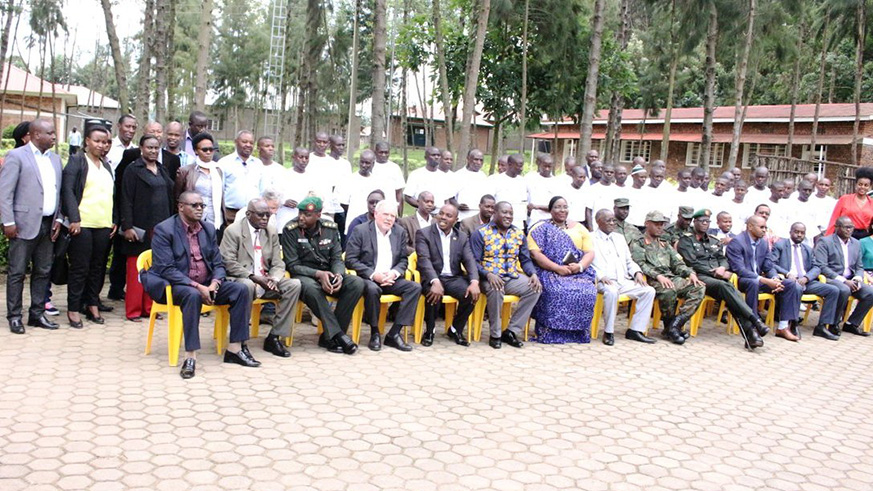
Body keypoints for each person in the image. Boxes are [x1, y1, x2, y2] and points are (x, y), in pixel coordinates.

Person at [142, 191, 259, 379]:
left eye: (202, 206)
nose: (199, 209)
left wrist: (215, 283)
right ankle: (190, 356)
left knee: (241, 289)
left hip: (207, 284)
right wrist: (198, 287)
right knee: (192, 295)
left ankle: (235, 349)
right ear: (181, 207)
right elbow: (166, 269)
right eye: (194, 205)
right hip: (176, 285)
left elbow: (218, 263)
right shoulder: (164, 230)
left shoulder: (208, 229)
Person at [0, 119, 63, 334]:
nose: (54, 137)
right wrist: (8, 222)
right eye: (50, 133)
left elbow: (59, 192)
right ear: (36, 135)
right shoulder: (17, 156)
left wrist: (59, 219)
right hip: (22, 224)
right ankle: (15, 316)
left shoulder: (55, 159)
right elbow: (5, 192)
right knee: (17, 272)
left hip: (48, 224)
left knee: (43, 271)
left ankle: (37, 314)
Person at [220, 198, 303, 358]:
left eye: (268, 215)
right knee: (247, 286)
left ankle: (274, 337)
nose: (265, 218)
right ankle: (240, 341)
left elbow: (278, 262)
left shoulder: (271, 231)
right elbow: (228, 262)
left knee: (294, 285)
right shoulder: (233, 231)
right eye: (261, 215)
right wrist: (254, 277)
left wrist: (275, 279)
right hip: (242, 279)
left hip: (266, 281)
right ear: (248, 214)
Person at [677, 210, 771, 348]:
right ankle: (755, 321)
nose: (705, 224)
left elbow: (723, 259)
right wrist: (715, 272)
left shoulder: (713, 240)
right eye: (702, 221)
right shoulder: (686, 240)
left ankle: (752, 334)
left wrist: (722, 268)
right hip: (699, 277)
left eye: (707, 221)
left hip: (718, 277)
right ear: (694, 222)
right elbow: (692, 263)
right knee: (728, 289)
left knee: (733, 297)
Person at [281, 197, 361, 354]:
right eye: (300, 213)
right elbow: (293, 265)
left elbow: (337, 258)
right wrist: (318, 274)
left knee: (356, 283)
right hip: (304, 274)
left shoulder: (330, 228)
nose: (301, 217)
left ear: (318, 215)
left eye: (307, 214)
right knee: (312, 289)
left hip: (328, 272)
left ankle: (329, 336)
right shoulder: (290, 229)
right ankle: (339, 335)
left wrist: (338, 275)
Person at [345, 200, 422, 352]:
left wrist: (394, 273)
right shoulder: (361, 230)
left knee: (414, 288)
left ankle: (394, 334)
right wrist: (374, 275)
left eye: (392, 216)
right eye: (385, 214)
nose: (389, 219)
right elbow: (350, 259)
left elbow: (402, 260)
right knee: (373, 290)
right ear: (375, 214)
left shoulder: (399, 232)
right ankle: (375, 332)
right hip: (369, 279)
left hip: (391, 278)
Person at [60, 124, 117, 328]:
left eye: (105, 142)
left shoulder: (106, 165)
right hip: (82, 224)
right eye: (98, 141)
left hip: (103, 225)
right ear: (87, 141)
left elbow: (112, 195)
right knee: (80, 268)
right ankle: (73, 308)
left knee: (98, 268)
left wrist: (114, 220)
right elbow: (67, 190)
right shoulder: (77, 161)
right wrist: (73, 218)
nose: (102, 145)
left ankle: (92, 304)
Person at [470, 202, 542, 349]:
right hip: (488, 278)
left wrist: (533, 273)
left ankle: (511, 331)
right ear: (494, 213)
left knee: (535, 288)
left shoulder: (518, 233)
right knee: (496, 289)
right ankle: (495, 334)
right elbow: (473, 262)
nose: (508, 216)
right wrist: (488, 274)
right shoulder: (481, 233)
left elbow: (525, 260)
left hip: (511, 277)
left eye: (510, 213)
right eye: (504, 212)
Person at [119, 134, 176, 322]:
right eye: (149, 147)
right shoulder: (132, 170)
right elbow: (125, 198)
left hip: (161, 228)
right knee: (137, 269)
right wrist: (127, 226)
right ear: (141, 148)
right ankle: (134, 310)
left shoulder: (162, 169)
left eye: (156, 148)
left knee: (155, 269)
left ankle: (150, 307)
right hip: (139, 227)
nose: (153, 151)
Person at [526, 197, 597, 343]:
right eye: (558, 207)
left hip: (576, 271)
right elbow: (535, 253)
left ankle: (578, 333)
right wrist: (557, 268)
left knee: (587, 290)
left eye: (565, 206)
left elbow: (589, 252)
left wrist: (580, 266)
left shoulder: (579, 228)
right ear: (550, 210)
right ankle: (549, 333)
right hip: (549, 271)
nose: (562, 210)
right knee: (556, 290)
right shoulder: (539, 228)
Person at [630, 211, 705, 345]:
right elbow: (639, 264)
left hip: (670, 277)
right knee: (668, 291)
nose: (660, 227)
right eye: (657, 224)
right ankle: (669, 326)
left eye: (662, 225)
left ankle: (675, 325)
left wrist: (690, 273)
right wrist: (657, 276)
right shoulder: (639, 242)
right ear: (647, 224)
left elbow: (677, 262)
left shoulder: (664, 243)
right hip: (650, 279)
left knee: (699, 286)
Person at [726, 216, 801, 340]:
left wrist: (775, 278)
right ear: (750, 227)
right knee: (753, 283)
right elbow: (739, 270)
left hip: (761, 279)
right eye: (761, 227)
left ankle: (783, 327)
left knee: (791, 284)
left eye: (765, 227)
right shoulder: (737, 242)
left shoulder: (763, 242)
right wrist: (763, 279)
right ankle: (753, 326)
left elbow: (768, 265)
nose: (764, 230)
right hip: (741, 280)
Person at [414, 203, 479, 346]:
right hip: (432, 276)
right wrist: (434, 281)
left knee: (471, 294)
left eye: (448, 216)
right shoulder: (424, 233)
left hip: (453, 278)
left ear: (455, 220)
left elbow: (469, 260)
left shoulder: (461, 237)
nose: (443, 217)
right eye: (441, 213)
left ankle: (455, 329)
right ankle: (430, 331)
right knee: (433, 294)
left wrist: (474, 281)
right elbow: (424, 260)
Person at [591, 209, 657, 345]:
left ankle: (635, 330)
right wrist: (600, 275)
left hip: (623, 280)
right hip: (603, 280)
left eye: (613, 220)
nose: (612, 223)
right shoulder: (591, 238)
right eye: (608, 220)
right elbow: (587, 262)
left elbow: (629, 261)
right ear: (598, 222)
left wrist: (637, 272)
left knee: (649, 291)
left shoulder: (619, 238)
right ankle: (608, 332)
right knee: (612, 292)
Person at [771, 222, 842, 341]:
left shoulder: (808, 249)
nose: (799, 235)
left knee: (833, 290)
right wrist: (787, 274)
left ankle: (822, 327)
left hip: (806, 281)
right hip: (789, 282)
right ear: (790, 232)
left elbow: (817, 267)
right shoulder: (781, 245)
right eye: (796, 232)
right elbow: (771, 263)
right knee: (796, 287)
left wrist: (807, 278)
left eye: (802, 233)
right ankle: (793, 323)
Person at [814, 216, 873, 338]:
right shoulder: (825, 242)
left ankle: (852, 323)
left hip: (851, 279)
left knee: (870, 293)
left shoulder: (855, 243)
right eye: (846, 227)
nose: (849, 230)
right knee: (844, 289)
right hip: (831, 278)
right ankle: (832, 324)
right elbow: (822, 266)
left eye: (851, 227)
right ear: (837, 228)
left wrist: (857, 278)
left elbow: (859, 266)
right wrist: (844, 281)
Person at [175, 133, 225, 234]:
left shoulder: (218, 170)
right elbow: (177, 197)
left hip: (215, 220)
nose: (208, 152)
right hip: (193, 219)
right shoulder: (185, 171)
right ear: (196, 151)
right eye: (204, 149)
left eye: (211, 149)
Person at [218, 130, 262, 223]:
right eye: (244, 142)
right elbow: (219, 190)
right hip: (230, 213)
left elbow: (261, 189)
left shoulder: (258, 164)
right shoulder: (224, 162)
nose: (248, 145)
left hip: (253, 214)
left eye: (251, 143)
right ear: (236, 142)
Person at [826, 167, 873, 239]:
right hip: (844, 235)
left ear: (870, 187)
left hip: (864, 237)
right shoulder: (844, 199)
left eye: (866, 185)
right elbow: (834, 220)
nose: (862, 187)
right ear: (856, 184)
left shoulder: (871, 203)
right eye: (860, 184)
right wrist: (827, 239)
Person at [489, 153, 528, 229]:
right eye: (518, 166)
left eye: (522, 166)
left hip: (518, 225)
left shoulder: (523, 181)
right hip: (499, 224)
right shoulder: (496, 180)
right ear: (510, 164)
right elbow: (490, 202)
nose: (521, 168)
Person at [453, 149, 490, 220]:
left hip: (479, 218)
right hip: (462, 217)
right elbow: (451, 198)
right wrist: (458, 205)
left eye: (481, 160)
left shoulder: (483, 176)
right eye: (476, 159)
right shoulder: (458, 175)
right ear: (468, 159)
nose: (479, 162)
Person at [371, 142, 406, 214]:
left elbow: (399, 193)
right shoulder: (370, 166)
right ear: (375, 152)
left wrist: (399, 213)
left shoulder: (395, 168)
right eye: (381, 152)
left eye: (386, 152)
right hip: (372, 208)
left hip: (390, 209)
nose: (384, 155)